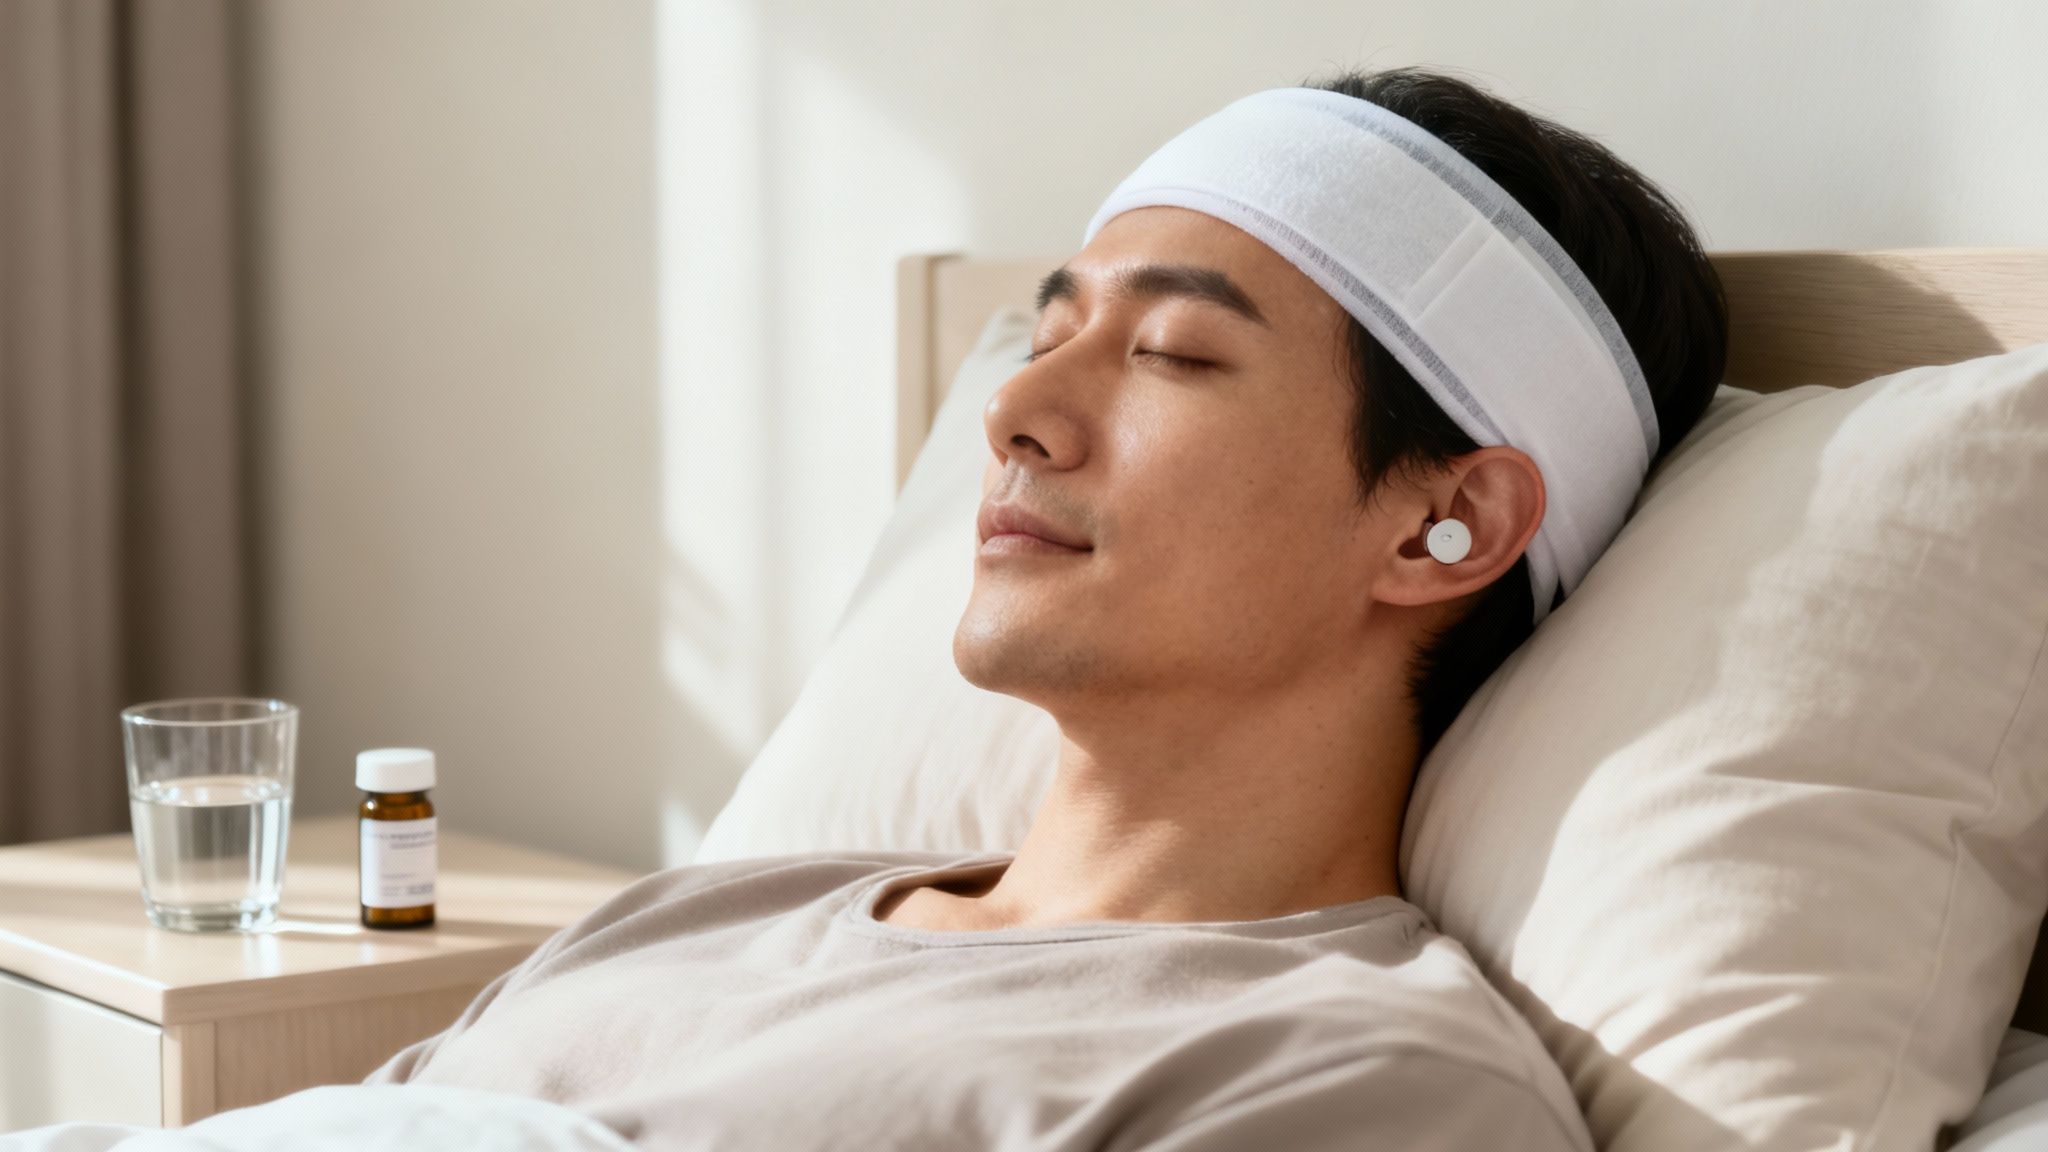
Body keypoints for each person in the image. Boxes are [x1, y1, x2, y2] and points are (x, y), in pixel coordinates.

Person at [361, 65, 1728, 1151]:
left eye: (1173, 353)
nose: (1013, 409)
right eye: (1046, 335)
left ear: (1446, 523)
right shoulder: (688, 919)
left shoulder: (1354, 1086)